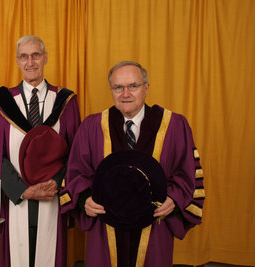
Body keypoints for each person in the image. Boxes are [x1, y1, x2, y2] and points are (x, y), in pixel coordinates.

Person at [59, 61, 205, 267]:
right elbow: (76, 173)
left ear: (146, 88)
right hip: (105, 228)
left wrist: (174, 199)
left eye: (133, 86)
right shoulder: (92, 127)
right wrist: (84, 199)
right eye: (118, 87)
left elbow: (188, 172)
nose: (125, 93)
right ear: (111, 90)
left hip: (154, 226)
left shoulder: (173, 125)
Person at [0, 35, 81, 267]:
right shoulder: (0, 102)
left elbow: (76, 152)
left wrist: (56, 182)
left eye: (35, 55)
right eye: (24, 56)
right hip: (17, 197)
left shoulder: (65, 101)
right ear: (17, 61)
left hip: (52, 194)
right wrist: (23, 190)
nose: (30, 62)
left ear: (45, 58)